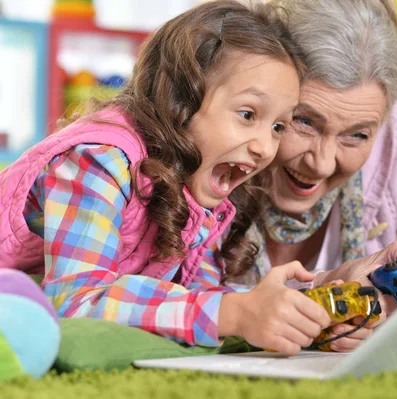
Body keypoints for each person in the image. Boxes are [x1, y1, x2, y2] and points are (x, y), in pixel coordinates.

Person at [0, 1, 333, 356]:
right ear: (180, 102)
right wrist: (231, 312)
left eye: (279, 126)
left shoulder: (206, 184)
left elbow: (198, 297)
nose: (266, 148)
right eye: (248, 114)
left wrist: (300, 308)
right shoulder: (99, 162)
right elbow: (76, 300)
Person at [221, 0, 397, 352]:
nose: (322, 164)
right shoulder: (216, 144)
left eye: (357, 135)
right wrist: (323, 300)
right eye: (304, 121)